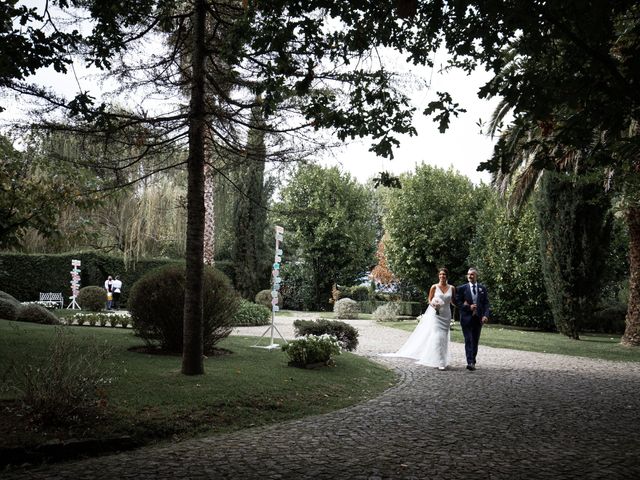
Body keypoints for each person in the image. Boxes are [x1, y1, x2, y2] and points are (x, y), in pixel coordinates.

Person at [382, 268, 455, 370]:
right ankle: (440, 361)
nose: (442, 276)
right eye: (441, 274)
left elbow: (453, 301)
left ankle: (443, 359)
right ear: (438, 276)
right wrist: (434, 304)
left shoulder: (452, 288)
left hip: (446, 315)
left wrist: (461, 306)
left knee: (444, 337)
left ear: (447, 276)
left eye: (444, 274)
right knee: (438, 337)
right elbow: (429, 300)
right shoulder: (434, 287)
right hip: (436, 316)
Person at [455, 267, 490, 371]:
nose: (469, 276)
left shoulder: (482, 288)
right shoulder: (461, 288)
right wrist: (468, 307)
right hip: (466, 318)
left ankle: (473, 361)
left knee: (475, 340)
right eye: (468, 274)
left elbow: (486, 303)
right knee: (468, 339)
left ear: (476, 276)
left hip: (478, 319)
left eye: (472, 274)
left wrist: (485, 315)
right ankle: (470, 362)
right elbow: (458, 302)